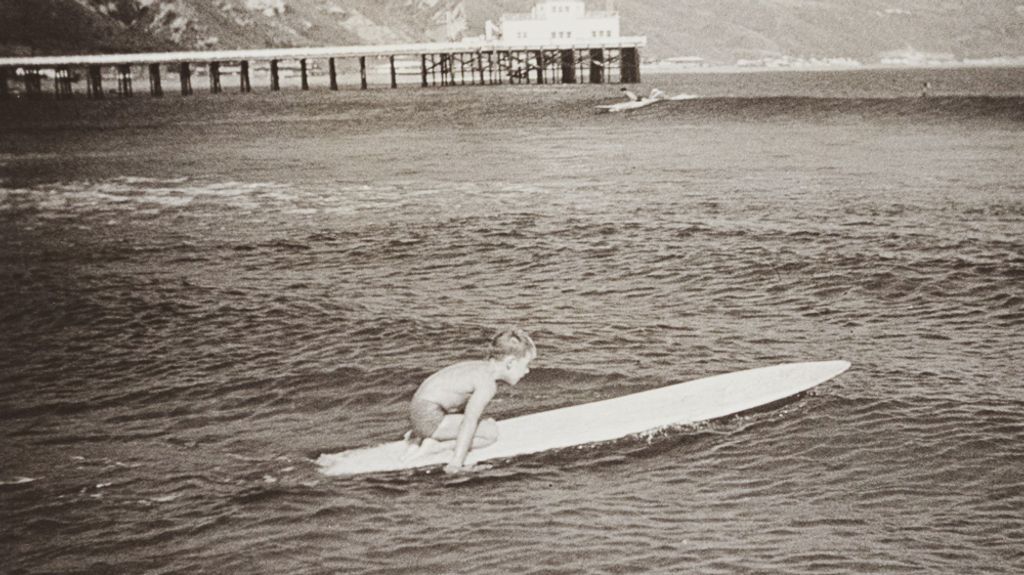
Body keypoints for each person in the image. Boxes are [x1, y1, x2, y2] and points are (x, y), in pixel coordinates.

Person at [403, 328, 536, 473]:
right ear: (510, 363)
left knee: (482, 421)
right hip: (429, 418)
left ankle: (419, 437)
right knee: (490, 433)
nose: (527, 371)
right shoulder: (487, 384)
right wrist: (456, 463)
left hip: (419, 411)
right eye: (526, 365)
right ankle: (435, 446)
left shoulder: (479, 368)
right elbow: (469, 422)